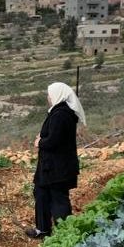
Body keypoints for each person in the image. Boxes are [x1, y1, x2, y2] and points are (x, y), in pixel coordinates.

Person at [26, 82, 86, 239]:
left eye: (49, 94)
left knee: (58, 198)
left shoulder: (60, 115)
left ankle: (66, 234)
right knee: (41, 193)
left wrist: (40, 142)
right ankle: (43, 229)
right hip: (51, 166)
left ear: (57, 95)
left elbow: (54, 141)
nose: (48, 97)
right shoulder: (60, 112)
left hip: (57, 167)